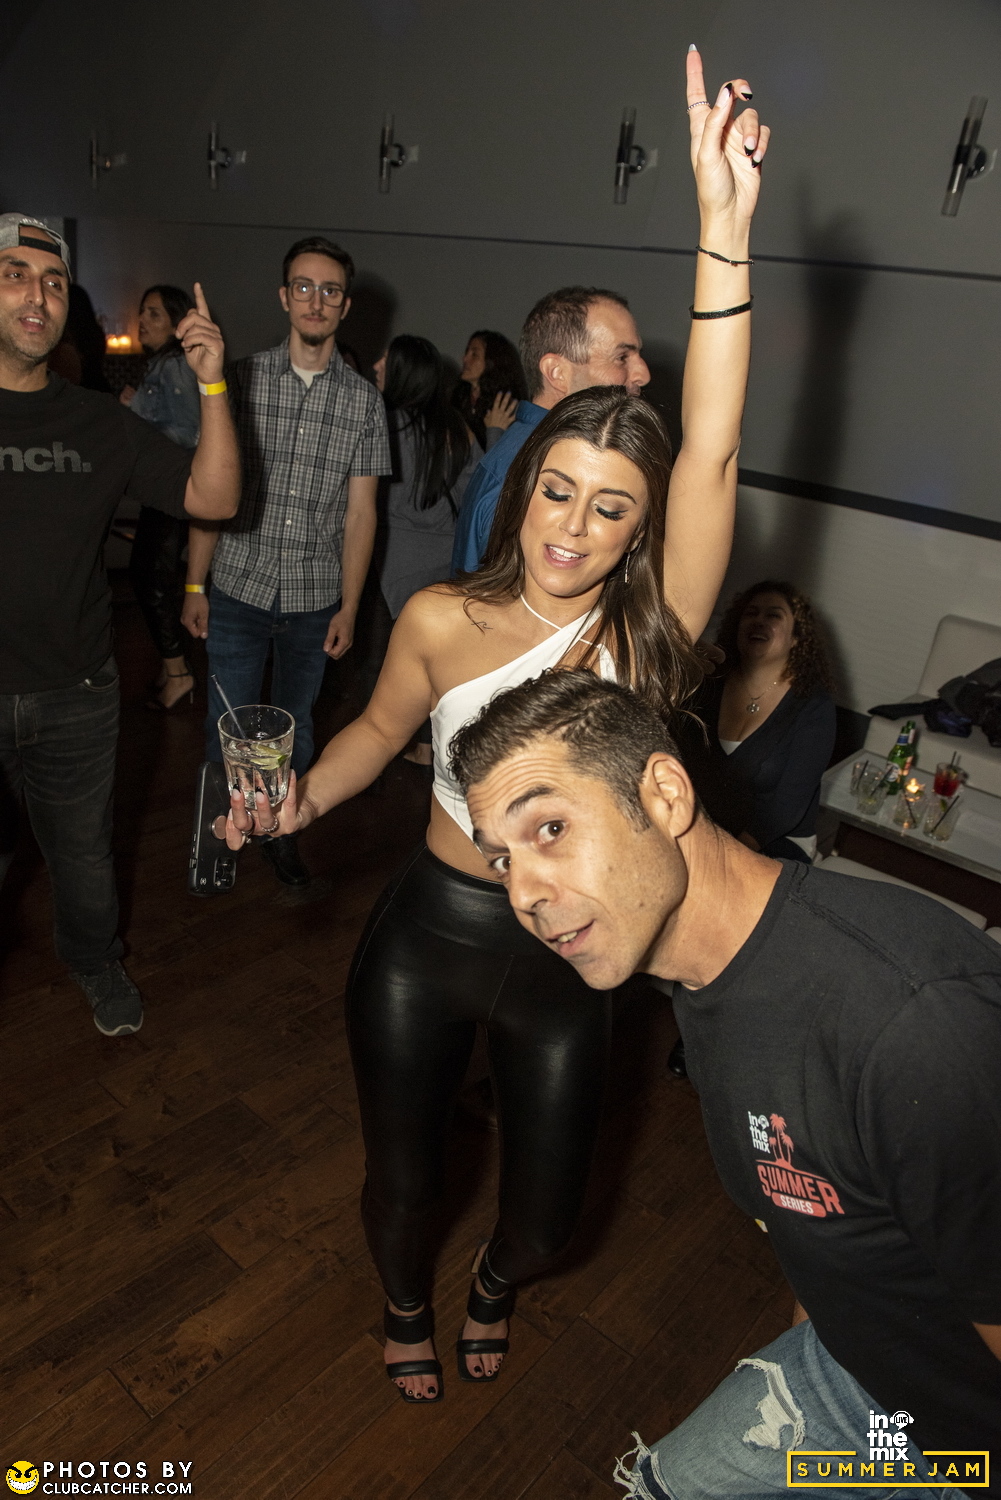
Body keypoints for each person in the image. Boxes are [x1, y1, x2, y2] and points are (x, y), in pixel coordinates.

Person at [219, 49, 769, 1404]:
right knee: (402, 1179)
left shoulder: (649, 635)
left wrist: (722, 230)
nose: (575, 527)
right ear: (524, 485)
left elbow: (708, 448)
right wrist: (299, 799)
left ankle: (495, 1282)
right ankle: (407, 1300)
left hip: (573, 955)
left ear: (640, 531)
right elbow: (373, 735)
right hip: (432, 931)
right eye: (557, 491)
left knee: (547, 1213)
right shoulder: (439, 616)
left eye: (610, 508)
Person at [449, 667, 1001, 1498]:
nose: (522, 893)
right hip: (855, 1373)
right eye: (501, 860)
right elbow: (821, 1218)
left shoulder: (914, 1027)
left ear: (665, 795)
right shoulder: (707, 979)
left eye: (550, 828)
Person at [0, 213, 239, 1037]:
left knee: (83, 855)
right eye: (15, 275)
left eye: (53, 282)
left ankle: (96, 960)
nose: (38, 296)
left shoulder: (98, 423)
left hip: (76, 691)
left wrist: (212, 385)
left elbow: (215, 498)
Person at [183, 235, 391, 887]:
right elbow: (210, 492)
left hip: (313, 598)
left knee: (295, 728)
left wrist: (351, 606)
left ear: (344, 306)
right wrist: (194, 583)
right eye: (303, 286)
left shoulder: (364, 401)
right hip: (238, 587)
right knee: (227, 725)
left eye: (329, 290)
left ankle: (280, 831)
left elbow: (361, 515)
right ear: (283, 296)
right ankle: (220, 839)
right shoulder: (238, 381)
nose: (315, 300)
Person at [669, 579, 836, 1076]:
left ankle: (703, 1035)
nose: (759, 622)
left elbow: (788, 803)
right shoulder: (710, 685)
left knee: (714, 912)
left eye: (774, 615)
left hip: (775, 839)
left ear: (797, 636)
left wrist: (724, 854)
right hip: (707, 826)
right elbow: (678, 762)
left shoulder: (812, 706)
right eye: (751, 613)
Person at [450, 285, 651, 575]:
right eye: (622, 358)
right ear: (557, 373)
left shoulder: (545, 453)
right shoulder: (527, 472)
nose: (643, 374)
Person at [121, 285, 203, 710]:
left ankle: (178, 673)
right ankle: (172, 665)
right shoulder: (163, 363)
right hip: (165, 487)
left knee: (151, 577)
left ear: (176, 323)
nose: (142, 321)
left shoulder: (173, 366)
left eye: (154, 313)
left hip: (172, 488)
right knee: (153, 575)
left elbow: (190, 433)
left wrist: (133, 413)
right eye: (143, 311)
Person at [375, 335, 480, 620]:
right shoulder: (456, 426)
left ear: (404, 371)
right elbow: (479, 493)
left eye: (386, 359)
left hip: (390, 568)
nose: (376, 366)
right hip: (449, 569)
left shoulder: (383, 425)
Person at [451, 329, 526, 451]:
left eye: (474, 355)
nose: (465, 359)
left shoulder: (507, 408)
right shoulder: (457, 399)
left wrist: (494, 430)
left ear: (492, 361)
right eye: (467, 352)